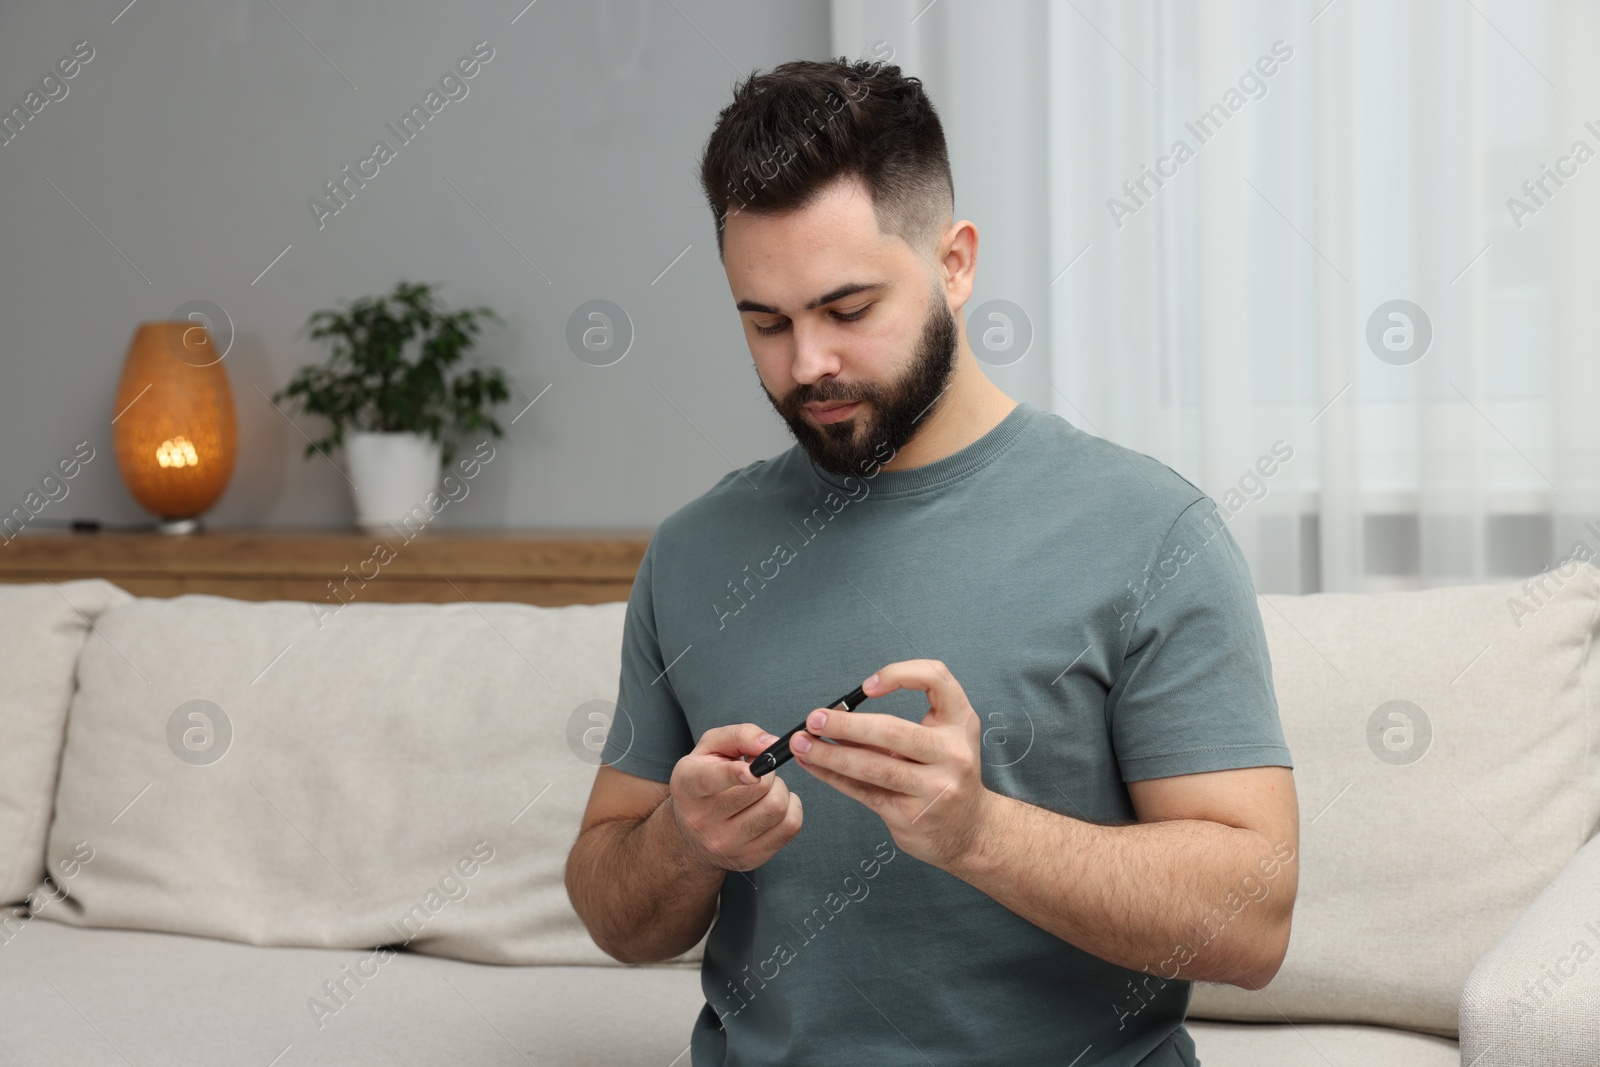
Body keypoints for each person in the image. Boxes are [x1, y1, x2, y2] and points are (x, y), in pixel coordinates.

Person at [565, 56, 1298, 1067]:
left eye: (847, 307)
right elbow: (613, 911)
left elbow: (1254, 926)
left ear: (955, 263)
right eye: (765, 321)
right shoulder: (695, 551)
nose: (806, 362)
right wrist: (686, 844)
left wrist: (978, 831)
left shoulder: (1151, 530)